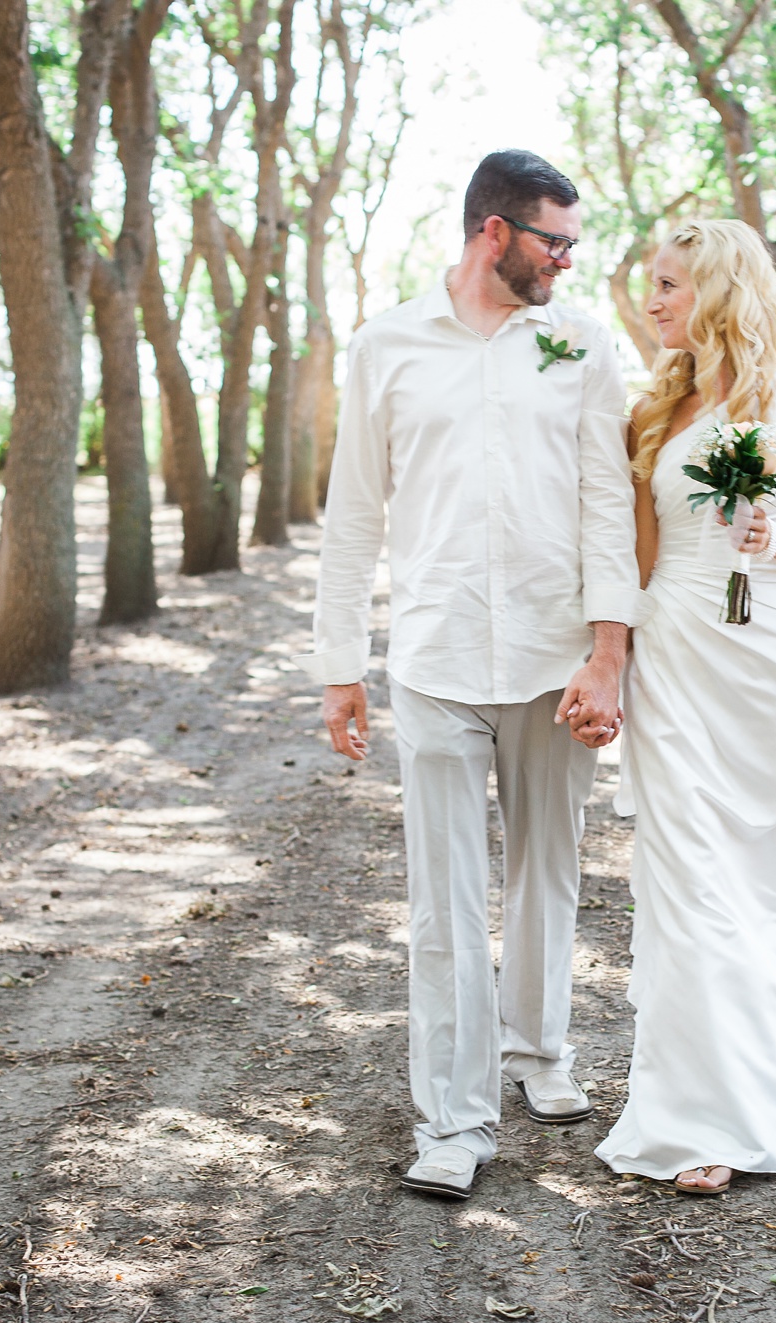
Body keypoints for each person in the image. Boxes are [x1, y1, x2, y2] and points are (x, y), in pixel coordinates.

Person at [293, 150, 642, 1201]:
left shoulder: (579, 343)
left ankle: (539, 1053)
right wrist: (339, 666)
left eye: (573, 243)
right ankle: (452, 1118)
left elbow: (605, 505)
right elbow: (353, 512)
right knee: (443, 901)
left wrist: (607, 654)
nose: (567, 261)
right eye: (554, 241)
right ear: (494, 232)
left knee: (548, 868)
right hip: (437, 656)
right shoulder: (386, 344)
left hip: (554, 662)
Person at [592, 219, 776, 1195]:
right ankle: (696, 1116)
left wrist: (771, 538)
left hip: (770, 668)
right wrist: (607, 663)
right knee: (688, 881)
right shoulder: (653, 411)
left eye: (668, 284)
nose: (653, 301)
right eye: (652, 285)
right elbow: (640, 561)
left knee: (770, 885)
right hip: (673, 662)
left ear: (720, 288)